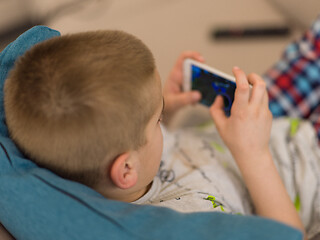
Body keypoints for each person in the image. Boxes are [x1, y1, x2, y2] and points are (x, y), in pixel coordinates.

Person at [3, 29, 309, 239]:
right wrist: (253, 152)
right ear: (125, 169)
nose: (163, 121)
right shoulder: (186, 218)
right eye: (158, 118)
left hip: (253, 129)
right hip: (302, 171)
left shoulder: (126, 163)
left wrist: (169, 109)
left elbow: (149, 147)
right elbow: (286, 234)